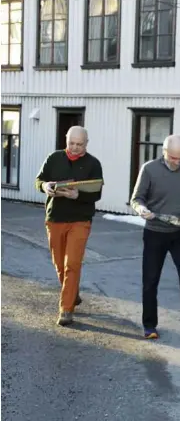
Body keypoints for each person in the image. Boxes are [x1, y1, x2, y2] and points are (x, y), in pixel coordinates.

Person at [130, 135, 180, 341]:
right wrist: (141, 209)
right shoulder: (149, 169)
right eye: (173, 158)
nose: (177, 162)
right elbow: (136, 198)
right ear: (164, 152)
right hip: (155, 232)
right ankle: (149, 326)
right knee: (150, 280)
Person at [35, 126, 104, 326]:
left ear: (86, 143)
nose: (74, 148)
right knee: (58, 263)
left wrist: (78, 195)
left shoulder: (93, 164)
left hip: (80, 219)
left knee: (71, 264)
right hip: (55, 217)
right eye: (71, 143)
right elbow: (38, 180)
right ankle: (72, 293)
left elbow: (97, 192)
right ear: (66, 141)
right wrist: (45, 186)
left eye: (79, 144)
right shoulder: (53, 158)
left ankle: (66, 309)